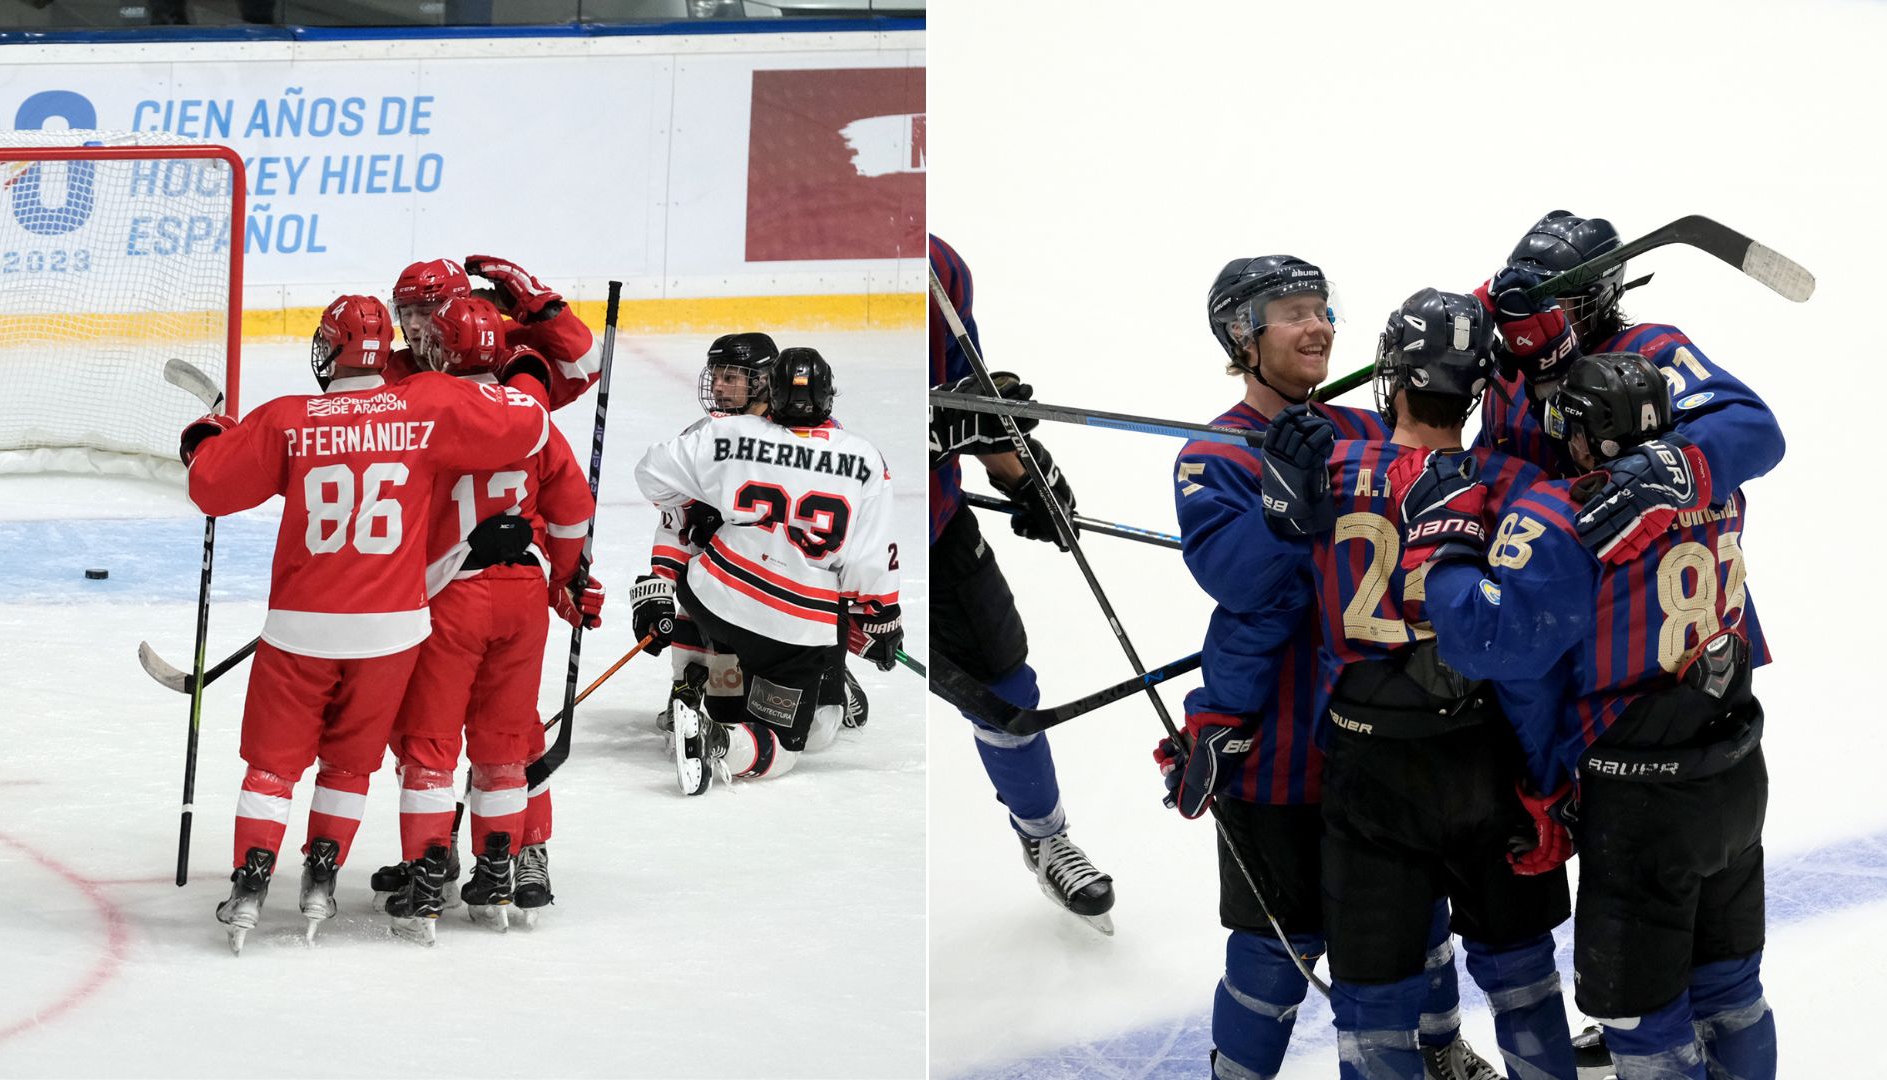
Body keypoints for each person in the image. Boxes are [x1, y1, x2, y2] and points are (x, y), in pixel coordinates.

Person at [1158, 257, 1504, 1080]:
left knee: (1418, 918)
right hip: (1279, 747)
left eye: (1322, 309)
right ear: (1242, 335)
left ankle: (1441, 1047)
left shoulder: (1366, 430)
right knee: (1278, 946)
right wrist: (1283, 507)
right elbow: (1237, 584)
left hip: (1387, 735)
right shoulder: (1213, 457)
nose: (1318, 326)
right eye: (1291, 312)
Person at [1403, 352, 1777, 1080]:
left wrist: (1446, 549)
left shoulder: (1563, 513)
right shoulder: (1716, 486)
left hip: (1643, 801)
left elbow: (1493, 645)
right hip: (1736, 775)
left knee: (1644, 1018)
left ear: (1580, 436)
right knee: (1731, 991)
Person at [1260, 288, 1576, 1079]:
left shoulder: (1324, 470)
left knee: (1373, 1009)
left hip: (1369, 767)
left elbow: (1260, 597)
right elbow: (1530, 665)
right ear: (1474, 393)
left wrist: (1279, 481)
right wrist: (1545, 780)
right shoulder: (1517, 485)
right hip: (1484, 756)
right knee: (1525, 980)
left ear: (1391, 381)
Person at [181, 294, 549, 953]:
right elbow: (528, 428)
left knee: (271, 766)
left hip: (301, 631)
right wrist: (520, 365)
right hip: (391, 634)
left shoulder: (286, 420)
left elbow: (211, 486)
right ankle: (322, 877)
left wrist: (205, 440)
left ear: (327, 352)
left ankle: (251, 880)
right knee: (350, 764)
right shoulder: (427, 403)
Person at [375, 295, 598, 940]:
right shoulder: (528, 413)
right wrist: (566, 573)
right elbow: (574, 505)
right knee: (507, 739)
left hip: (449, 595)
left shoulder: (421, 408)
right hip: (525, 591)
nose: (414, 330)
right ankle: (497, 863)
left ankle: (440, 867)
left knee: (430, 740)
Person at [926, 234, 1114, 933]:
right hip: (818, 528)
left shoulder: (938, 267)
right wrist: (938, 429)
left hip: (936, 524)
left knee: (1005, 692)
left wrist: (1017, 468)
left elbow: (966, 393)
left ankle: (1043, 832)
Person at [632, 347, 900, 793]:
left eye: (732, 377)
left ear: (767, 389)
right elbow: (868, 561)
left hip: (717, 595)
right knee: (789, 743)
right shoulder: (863, 458)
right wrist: (880, 622)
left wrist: (704, 518)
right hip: (794, 628)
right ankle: (707, 717)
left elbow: (652, 474)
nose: (719, 386)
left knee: (700, 570)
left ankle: (819, 687)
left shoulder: (727, 434)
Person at [1473, 211, 1784, 565]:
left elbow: (1755, 429)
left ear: (1598, 299)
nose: (1538, 318)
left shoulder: (1642, 356)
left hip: (1637, 585)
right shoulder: (1508, 375)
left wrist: (1664, 469)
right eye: (1526, 301)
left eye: (1556, 302)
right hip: (1541, 581)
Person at [388, 255, 599, 410]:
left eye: (425, 311)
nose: (413, 325)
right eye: (405, 313)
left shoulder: (508, 351)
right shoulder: (392, 370)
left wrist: (543, 309)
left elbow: (589, 364)